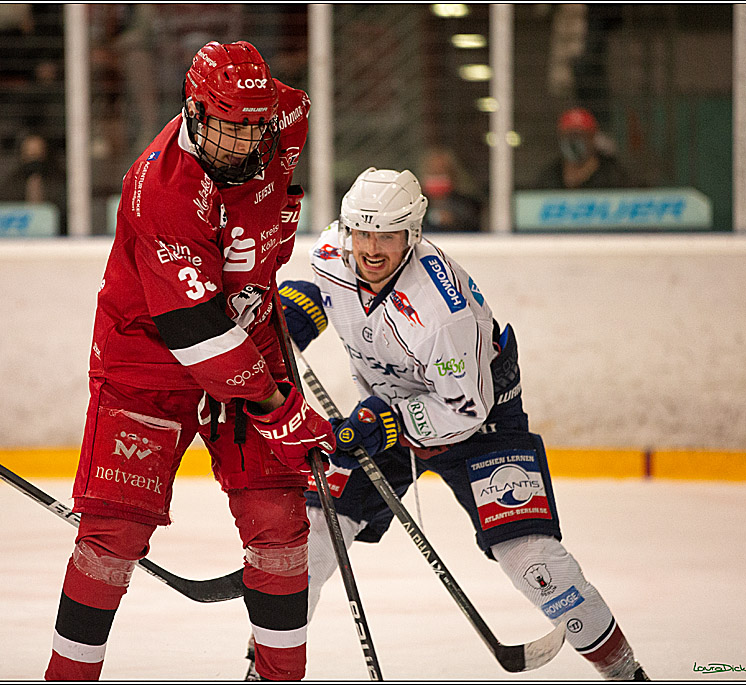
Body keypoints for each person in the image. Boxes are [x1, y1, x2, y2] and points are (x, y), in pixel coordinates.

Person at [264, 167, 649, 681]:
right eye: (363, 232)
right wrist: (291, 315)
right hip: (386, 414)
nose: (371, 249)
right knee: (308, 537)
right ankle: (263, 671)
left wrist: (391, 421)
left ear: (413, 235)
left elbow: (465, 411)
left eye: (388, 236)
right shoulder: (334, 251)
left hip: (482, 422)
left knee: (534, 563)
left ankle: (627, 674)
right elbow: (317, 287)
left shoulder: (442, 314)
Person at [44, 41, 335, 681]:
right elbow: (197, 334)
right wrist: (278, 408)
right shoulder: (164, 188)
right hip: (147, 358)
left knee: (281, 526)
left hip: (251, 333)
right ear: (194, 109)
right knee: (112, 536)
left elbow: (288, 129)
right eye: (228, 127)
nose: (242, 142)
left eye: (253, 126)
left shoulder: (283, 115)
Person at [535, 107, 631, 190]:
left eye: (579, 135)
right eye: (567, 135)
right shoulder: (550, 176)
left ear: (593, 138)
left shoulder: (613, 176)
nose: (572, 140)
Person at [418, 146, 483, 232]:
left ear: (452, 174)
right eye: (433, 172)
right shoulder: (415, 207)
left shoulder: (468, 206)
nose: (437, 178)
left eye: (441, 172)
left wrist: (454, 221)